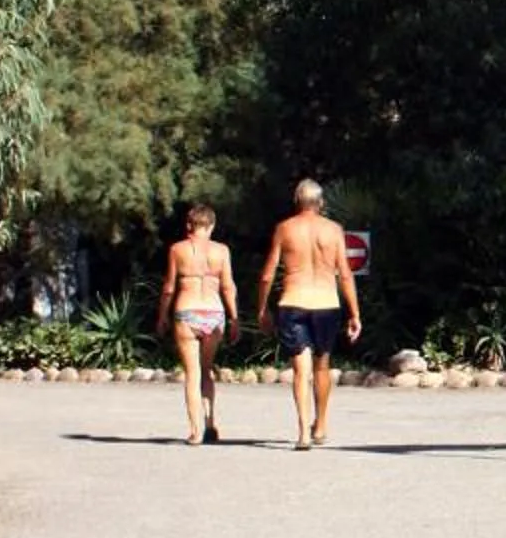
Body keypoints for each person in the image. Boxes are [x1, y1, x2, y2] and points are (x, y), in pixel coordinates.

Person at [256, 178, 360, 451]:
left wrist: (262, 308)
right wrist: (355, 314)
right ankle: (321, 424)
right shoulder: (334, 230)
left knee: (301, 371)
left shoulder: (284, 229)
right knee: (322, 365)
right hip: (326, 302)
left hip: (294, 301)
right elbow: (345, 274)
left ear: (296, 201)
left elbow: (267, 274)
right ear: (321, 203)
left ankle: (303, 432)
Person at [154, 203, 238, 445]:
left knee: (192, 373)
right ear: (211, 226)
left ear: (189, 225)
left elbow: (169, 287)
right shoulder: (222, 251)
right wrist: (234, 318)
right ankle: (211, 423)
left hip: (187, 311)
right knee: (206, 369)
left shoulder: (178, 250)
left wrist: (162, 315)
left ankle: (195, 431)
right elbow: (228, 286)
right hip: (214, 312)